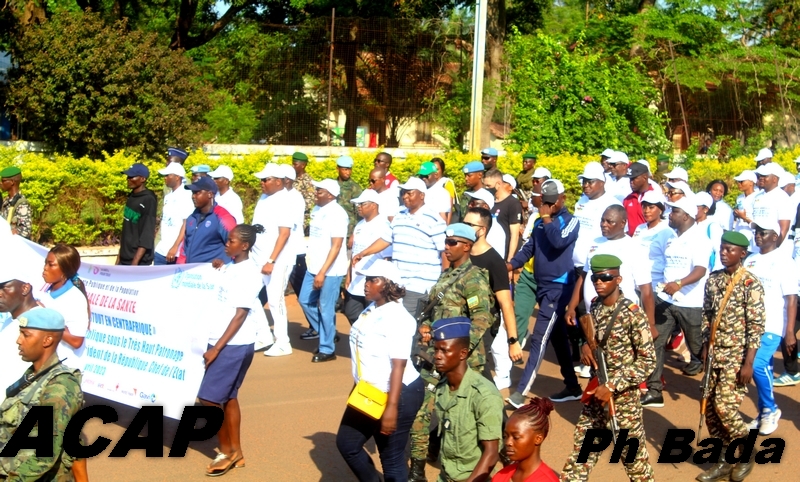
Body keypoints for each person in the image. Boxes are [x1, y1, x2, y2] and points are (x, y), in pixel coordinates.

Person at [561, 255, 656, 481]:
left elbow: (648, 361)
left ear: (618, 279)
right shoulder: (594, 305)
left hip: (622, 398)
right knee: (583, 449)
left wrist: (612, 385)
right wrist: (586, 346)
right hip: (596, 390)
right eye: (595, 278)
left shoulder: (633, 314)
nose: (599, 282)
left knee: (632, 458)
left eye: (605, 277)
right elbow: (594, 338)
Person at [409, 223, 493, 481]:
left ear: (467, 246)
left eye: (452, 243)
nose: (447, 247)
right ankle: (417, 470)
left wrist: (460, 349)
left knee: (459, 417)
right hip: (435, 357)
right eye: (446, 242)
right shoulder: (445, 275)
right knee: (421, 411)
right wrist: (425, 326)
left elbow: (482, 319)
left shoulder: (474, 278)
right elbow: (433, 311)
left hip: (461, 362)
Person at [336, 260, 425, 482]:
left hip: (398, 394)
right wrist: (357, 386)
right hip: (370, 390)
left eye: (373, 280)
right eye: (366, 279)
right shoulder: (373, 308)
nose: (366, 284)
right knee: (347, 443)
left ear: (389, 285)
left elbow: (398, 366)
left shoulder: (398, 317)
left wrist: (391, 409)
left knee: (391, 458)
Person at [506, 179, 582, 408]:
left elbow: (559, 242)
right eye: (545, 202)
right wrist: (511, 265)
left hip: (559, 289)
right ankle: (572, 386)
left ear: (562, 198)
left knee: (539, 338)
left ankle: (520, 393)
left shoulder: (571, 221)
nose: (547, 206)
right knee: (558, 338)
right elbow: (529, 248)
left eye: (551, 202)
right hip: (542, 286)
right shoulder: (539, 222)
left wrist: (546, 218)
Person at [696, 231, 765, 482]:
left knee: (725, 407)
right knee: (711, 409)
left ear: (742, 254)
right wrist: (706, 345)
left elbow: (755, 325)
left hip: (736, 356)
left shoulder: (750, 283)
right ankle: (725, 460)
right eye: (723, 249)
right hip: (715, 352)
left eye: (730, 250)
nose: (724, 253)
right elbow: (707, 314)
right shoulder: (713, 280)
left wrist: (748, 363)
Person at [200, 224, 264, 476]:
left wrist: (216, 348)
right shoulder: (232, 267)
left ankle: (226, 451)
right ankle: (236, 452)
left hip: (233, 345)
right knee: (229, 398)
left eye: (232, 241)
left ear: (245, 246)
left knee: (209, 398)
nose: (227, 244)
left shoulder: (249, 273)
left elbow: (240, 315)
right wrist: (219, 268)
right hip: (223, 341)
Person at [642, 195, 712, 408]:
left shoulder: (700, 239)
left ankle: (713, 386)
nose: (669, 215)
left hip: (691, 303)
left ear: (687, 216)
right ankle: (654, 390)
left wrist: (679, 283)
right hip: (665, 299)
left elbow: (700, 270)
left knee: (698, 348)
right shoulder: (668, 235)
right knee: (656, 341)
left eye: (674, 212)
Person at [0, 307, 84, 482]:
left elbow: (44, 455)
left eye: (26, 335)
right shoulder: (33, 377)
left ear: (47, 340)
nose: (18, 340)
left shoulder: (59, 386)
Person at [36, 243, 91, 481]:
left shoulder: (75, 299)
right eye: (45, 262)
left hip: (66, 375)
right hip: (45, 372)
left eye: (51, 264)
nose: (44, 268)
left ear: (65, 270)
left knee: (67, 436)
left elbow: (77, 340)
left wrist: (48, 320)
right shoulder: (45, 293)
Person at [353, 177, 446, 315]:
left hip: (418, 285)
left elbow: (444, 251)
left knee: (408, 327)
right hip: (397, 283)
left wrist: (443, 282)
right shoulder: (399, 215)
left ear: (422, 195)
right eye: (404, 193)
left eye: (410, 193)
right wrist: (363, 253)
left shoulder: (434, 218)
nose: (405, 196)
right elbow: (385, 239)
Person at [566, 205, 656, 343]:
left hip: (621, 318)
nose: (604, 224)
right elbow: (583, 277)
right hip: (593, 315)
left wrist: (650, 324)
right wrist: (572, 307)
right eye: (602, 220)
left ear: (622, 223)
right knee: (594, 355)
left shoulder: (635, 248)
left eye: (610, 221)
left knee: (619, 359)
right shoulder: (595, 243)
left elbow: (646, 290)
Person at [431, 317, 503, 482]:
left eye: (444, 350)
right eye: (435, 350)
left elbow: (491, 454)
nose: (437, 356)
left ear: (463, 353)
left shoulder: (483, 395)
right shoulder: (443, 387)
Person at [742, 220, 797, 436]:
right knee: (763, 366)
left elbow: (791, 298)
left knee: (756, 364)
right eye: (756, 232)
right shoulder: (751, 260)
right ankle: (764, 411)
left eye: (763, 232)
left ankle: (771, 410)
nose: (758, 235)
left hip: (772, 323)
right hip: (749, 324)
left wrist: (790, 332)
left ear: (775, 237)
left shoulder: (785, 261)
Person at [463, 207, 523, 390]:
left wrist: (513, 342)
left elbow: (506, 304)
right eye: (463, 223)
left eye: (469, 225)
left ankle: (498, 415)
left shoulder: (494, 261)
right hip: (461, 322)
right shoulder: (462, 254)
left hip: (484, 326)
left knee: (473, 372)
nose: (464, 228)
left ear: (482, 230)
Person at [298, 179, 348, 362]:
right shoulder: (318, 210)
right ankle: (327, 332)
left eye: (320, 191)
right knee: (304, 300)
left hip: (330, 271)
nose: (316, 193)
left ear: (330, 195)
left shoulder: (337, 214)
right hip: (314, 267)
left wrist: (322, 272)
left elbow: (336, 246)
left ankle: (327, 349)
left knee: (326, 308)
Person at [252, 163, 295, 356]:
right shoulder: (264, 198)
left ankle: (283, 342)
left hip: (277, 260)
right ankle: (263, 335)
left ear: (278, 181)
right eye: (261, 179)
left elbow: (284, 233)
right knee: (249, 295)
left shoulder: (285, 200)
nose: (261, 183)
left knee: (275, 301)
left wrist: (271, 260)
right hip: (256, 257)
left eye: (265, 179)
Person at [345, 190, 391, 324]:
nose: (358, 207)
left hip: (373, 282)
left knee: (373, 318)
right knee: (351, 312)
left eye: (362, 204)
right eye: (357, 204)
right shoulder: (359, 225)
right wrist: (349, 276)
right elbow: (354, 252)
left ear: (373, 205)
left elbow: (387, 258)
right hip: (356, 280)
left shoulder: (383, 224)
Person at [492, 397, 559, 482]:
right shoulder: (501, 476)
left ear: (538, 439)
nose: (508, 442)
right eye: (505, 436)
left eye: (516, 437)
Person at [572, 162, 622, 272]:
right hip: (573, 265)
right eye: (584, 181)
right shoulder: (582, 200)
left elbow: (619, 238)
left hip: (596, 267)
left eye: (590, 182)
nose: (585, 185)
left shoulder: (612, 204)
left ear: (602, 182)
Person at [182, 176, 237, 264]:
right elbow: (185, 246)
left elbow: (236, 246)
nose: (193, 196)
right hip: (191, 273)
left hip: (213, 273)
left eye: (197, 192)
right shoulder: (191, 217)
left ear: (210, 194)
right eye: (193, 193)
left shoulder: (223, 217)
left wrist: (227, 266)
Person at [631, 190, 673, 291]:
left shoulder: (666, 231)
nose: (646, 210)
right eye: (644, 206)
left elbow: (668, 260)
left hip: (654, 284)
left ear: (661, 210)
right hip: (636, 282)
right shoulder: (639, 228)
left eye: (651, 207)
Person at [117, 163, 157, 266]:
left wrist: (135, 263)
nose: (128, 179)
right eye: (128, 176)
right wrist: (119, 259)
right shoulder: (131, 196)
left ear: (143, 179)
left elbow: (147, 234)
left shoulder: (149, 199)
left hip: (138, 262)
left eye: (132, 177)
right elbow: (127, 231)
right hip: (125, 258)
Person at [154, 162, 194, 265]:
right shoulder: (168, 196)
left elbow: (186, 223)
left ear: (177, 177)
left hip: (175, 252)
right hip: (161, 250)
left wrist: (175, 247)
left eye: (168, 175)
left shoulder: (186, 195)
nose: (165, 178)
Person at [281, 163, 309, 300]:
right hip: (282, 250)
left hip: (295, 250)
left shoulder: (295, 197)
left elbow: (288, 225)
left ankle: (315, 321)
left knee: (303, 292)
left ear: (287, 180)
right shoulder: (279, 196)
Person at [483, 169, 523, 262]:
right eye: (485, 185)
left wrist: (510, 259)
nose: (486, 188)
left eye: (488, 186)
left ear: (498, 184)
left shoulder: (513, 204)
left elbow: (514, 235)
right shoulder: (489, 201)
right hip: (489, 252)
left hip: (503, 255)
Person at [752, 162, 792, 250]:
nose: (761, 178)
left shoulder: (782, 197)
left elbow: (784, 228)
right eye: (760, 176)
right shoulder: (757, 196)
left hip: (774, 249)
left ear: (774, 179)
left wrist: (773, 249)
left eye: (765, 176)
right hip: (756, 247)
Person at [465, 189, 507, 258]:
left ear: (485, 207)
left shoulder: (495, 230)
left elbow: (496, 260)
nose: (469, 206)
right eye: (469, 202)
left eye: (473, 203)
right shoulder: (469, 223)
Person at [335, 156, 363, 239]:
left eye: (350, 169)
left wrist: (354, 234)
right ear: (337, 169)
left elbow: (360, 213)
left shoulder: (355, 188)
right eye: (345, 169)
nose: (348, 172)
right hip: (333, 228)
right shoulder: (332, 185)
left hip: (348, 231)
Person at [622, 162, 653, 236]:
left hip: (649, 242)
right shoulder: (627, 199)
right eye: (630, 179)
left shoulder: (654, 197)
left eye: (634, 178)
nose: (631, 182)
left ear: (645, 177)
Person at [0, 166, 31, 239]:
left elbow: (26, 230)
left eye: (3, 181)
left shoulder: (22, 203)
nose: (0, 183)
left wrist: (9, 232)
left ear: (12, 182)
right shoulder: (6, 200)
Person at [696, 192, 724, 272]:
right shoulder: (690, 224)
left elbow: (718, 250)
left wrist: (716, 273)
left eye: (696, 207)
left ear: (705, 209)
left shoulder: (713, 226)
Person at [732, 170, 760, 251]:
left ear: (751, 183)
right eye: (738, 182)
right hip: (740, 232)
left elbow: (758, 221)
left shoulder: (757, 197)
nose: (739, 184)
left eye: (742, 181)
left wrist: (744, 217)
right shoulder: (739, 198)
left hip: (752, 235)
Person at [292, 152, 316, 231]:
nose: (293, 166)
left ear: (303, 165)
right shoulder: (291, 178)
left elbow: (309, 202)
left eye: (295, 164)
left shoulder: (308, 181)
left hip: (301, 219)